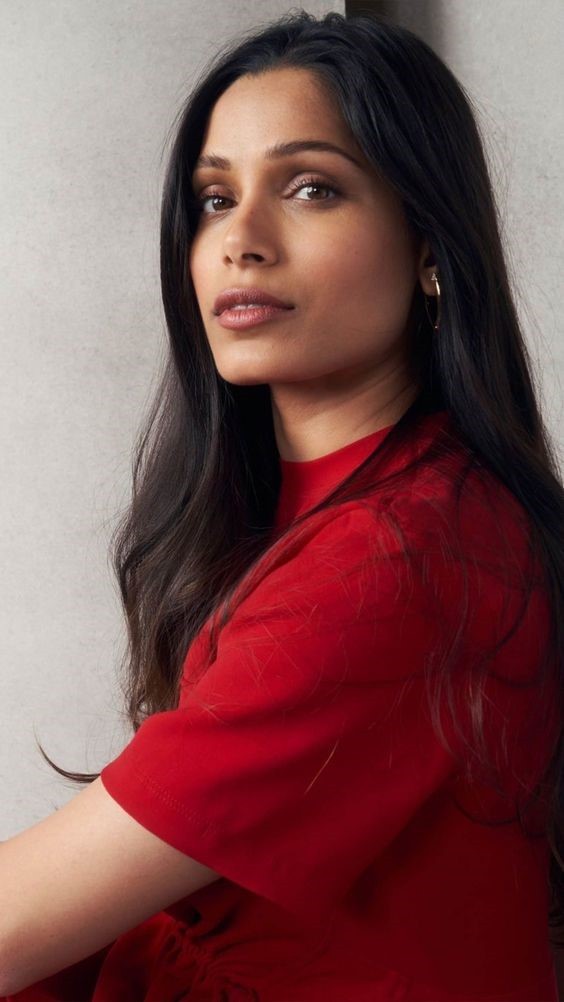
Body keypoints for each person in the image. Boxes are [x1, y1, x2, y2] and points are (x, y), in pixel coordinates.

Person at [1, 8, 563, 1000]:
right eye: (214, 199)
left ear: (430, 244)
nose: (241, 240)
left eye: (311, 188)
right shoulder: (335, 505)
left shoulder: (401, 558)